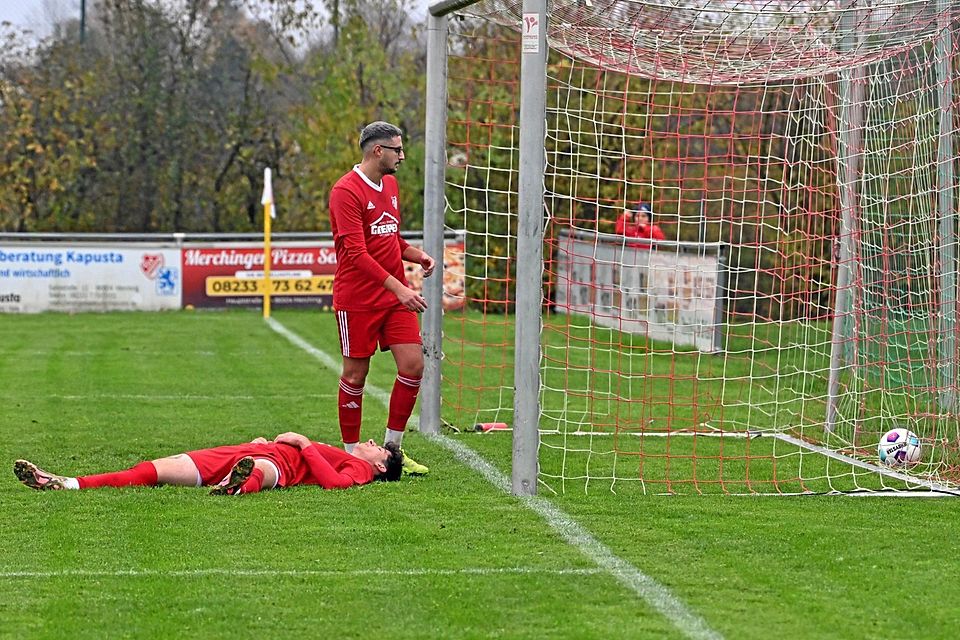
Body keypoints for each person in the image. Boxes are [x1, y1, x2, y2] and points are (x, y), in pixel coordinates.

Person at [328, 121, 436, 476]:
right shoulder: (345, 191)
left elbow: (390, 239)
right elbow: (357, 254)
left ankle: (393, 450)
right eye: (397, 150)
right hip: (357, 299)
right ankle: (349, 454)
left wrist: (416, 255)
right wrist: (401, 288)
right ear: (378, 151)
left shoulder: (389, 184)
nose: (402, 156)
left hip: (393, 299)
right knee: (356, 376)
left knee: (413, 365)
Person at [13, 432, 403, 494]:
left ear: (381, 467)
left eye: (378, 447)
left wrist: (302, 444)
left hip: (278, 464)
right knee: (154, 470)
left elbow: (336, 485)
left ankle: (236, 484)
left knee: (261, 470)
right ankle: (68, 483)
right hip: (244, 451)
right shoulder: (361, 461)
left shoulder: (364, 472)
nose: (369, 442)